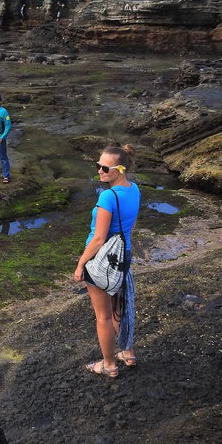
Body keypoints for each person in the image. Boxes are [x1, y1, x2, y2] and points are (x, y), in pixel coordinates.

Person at [74, 144, 141, 379]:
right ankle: (127, 352)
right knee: (119, 306)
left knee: (103, 316)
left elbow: (99, 238)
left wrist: (81, 264)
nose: (99, 171)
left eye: (105, 168)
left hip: (102, 259)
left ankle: (109, 364)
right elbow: (131, 226)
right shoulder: (134, 189)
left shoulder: (108, 197)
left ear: (119, 169)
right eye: (98, 165)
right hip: (124, 255)